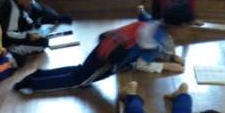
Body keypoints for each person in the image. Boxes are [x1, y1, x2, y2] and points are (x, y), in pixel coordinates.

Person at [13, 19, 184, 94]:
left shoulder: (152, 23)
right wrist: (168, 65)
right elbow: (142, 64)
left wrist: (170, 57)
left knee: (80, 70)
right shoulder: (157, 39)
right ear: (177, 26)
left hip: (105, 45)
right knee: (78, 80)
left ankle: (39, 74)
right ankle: (32, 83)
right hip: (108, 60)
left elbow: (145, 48)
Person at [0, 0, 50, 66]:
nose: (32, 0)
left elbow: (26, 19)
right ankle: (13, 52)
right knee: (43, 42)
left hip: (8, 38)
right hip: (4, 42)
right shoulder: (13, 9)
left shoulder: (13, 2)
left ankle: (14, 50)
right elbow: (9, 34)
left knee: (40, 37)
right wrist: (28, 37)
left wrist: (33, 28)